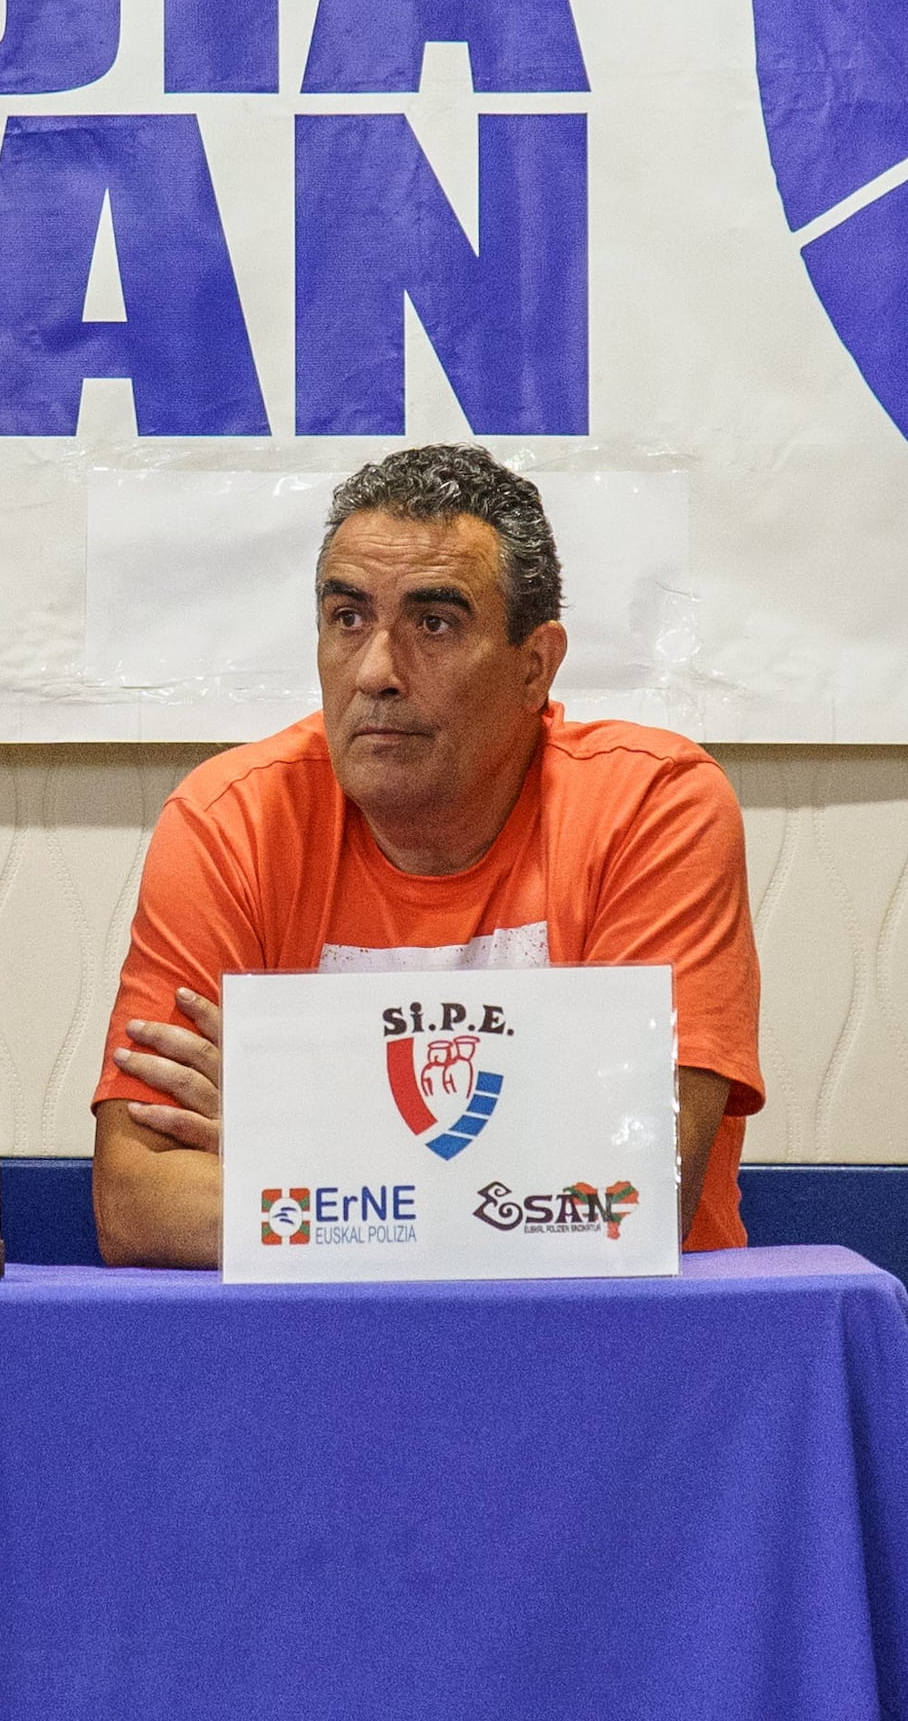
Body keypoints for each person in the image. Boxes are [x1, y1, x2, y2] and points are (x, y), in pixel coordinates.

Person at [93, 443, 763, 1264]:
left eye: (434, 624)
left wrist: (295, 1131)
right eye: (348, 619)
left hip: (610, 1354)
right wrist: (506, 1181)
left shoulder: (654, 808)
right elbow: (136, 1203)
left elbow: (631, 1194)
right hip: (316, 1356)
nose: (375, 670)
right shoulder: (230, 821)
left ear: (534, 667)